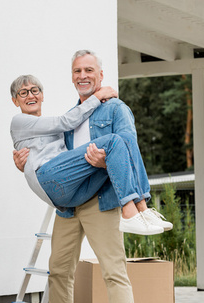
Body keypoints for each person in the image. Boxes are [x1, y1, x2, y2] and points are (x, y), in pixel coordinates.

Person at [12, 49, 171, 303]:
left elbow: (127, 147)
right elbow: (53, 156)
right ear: (72, 77)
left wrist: (105, 161)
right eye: (77, 71)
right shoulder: (71, 116)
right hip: (70, 205)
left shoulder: (115, 108)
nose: (83, 76)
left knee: (114, 272)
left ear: (100, 75)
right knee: (59, 271)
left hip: (102, 200)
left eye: (88, 70)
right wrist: (24, 163)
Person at [10, 74, 169, 235]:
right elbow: (65, 121)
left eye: (34, 90)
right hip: (49, 179)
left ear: (42, 96)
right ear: (15, 101)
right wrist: (97, 96)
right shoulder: (19, 121)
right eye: (23, 93)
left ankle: (142, 208)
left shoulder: (47, 127)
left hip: (71, 196)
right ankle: (129, 211)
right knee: (112, 142)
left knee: (122, 143)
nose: (30, 95)